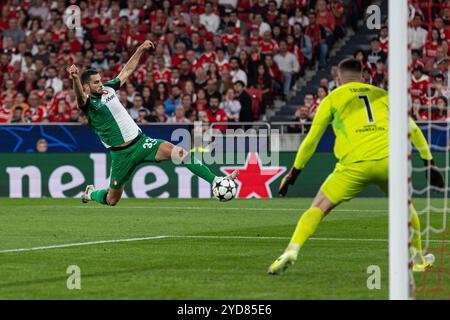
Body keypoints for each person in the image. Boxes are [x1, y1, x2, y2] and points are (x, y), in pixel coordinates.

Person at [268, 58, 444, 275]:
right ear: (363, 76)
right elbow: (414, 130)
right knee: (406, 208)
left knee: (318, 208)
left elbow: (311, 139)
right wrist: (429, 164)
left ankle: (291, 250)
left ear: (338, 78)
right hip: (388, 162)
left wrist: (294, 173)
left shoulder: (332, 98)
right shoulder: (383, 95)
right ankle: (417, 260)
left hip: (353, 166)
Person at [69, 40, 238, 207]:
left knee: (180, 153)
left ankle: (216, 180)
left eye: (100, 80)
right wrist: (75, 79)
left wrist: (141, 49)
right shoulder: (88, 104)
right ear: (86, 87)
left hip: (141, 143)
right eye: (96, 82)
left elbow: (127, 70)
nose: (100, 84)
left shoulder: (109, 88)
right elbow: (79, 97)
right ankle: (91, 193)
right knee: (112, 200)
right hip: (120, 155)